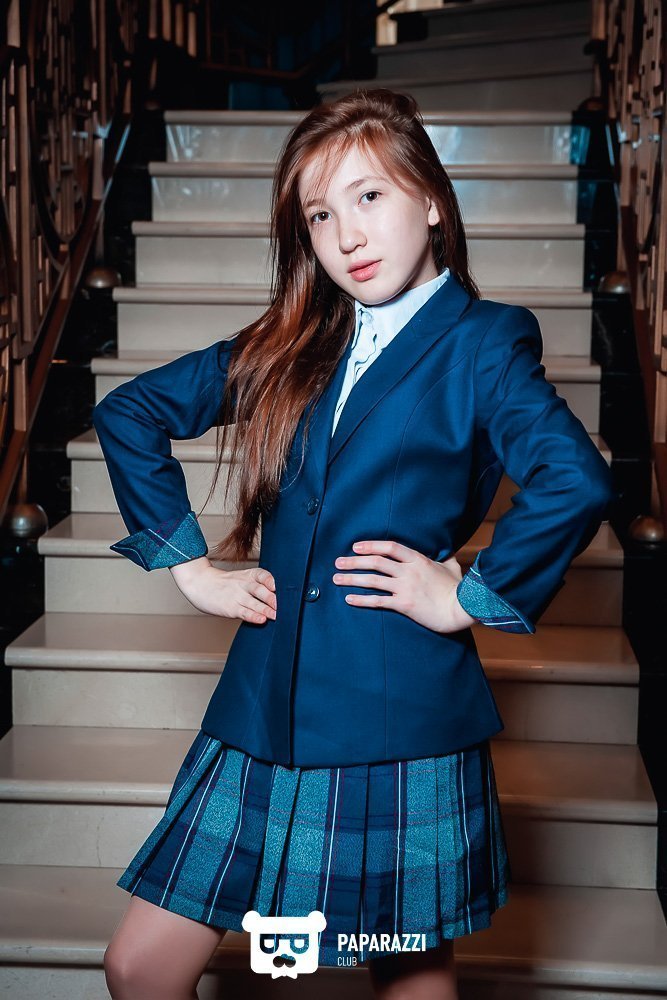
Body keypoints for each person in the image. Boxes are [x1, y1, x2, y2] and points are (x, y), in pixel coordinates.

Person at [96, 88, 613, 1000]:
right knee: (137, 967)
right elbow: (130, 412)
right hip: (262, 707)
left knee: (406, 978)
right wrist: (189, 568)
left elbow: (575, 479)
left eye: (369, 196)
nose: (346, 235)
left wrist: (465, 595)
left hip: (396, 715)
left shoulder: (484, 341)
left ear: (432, 200)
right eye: (320, 214)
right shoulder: (294, 339)